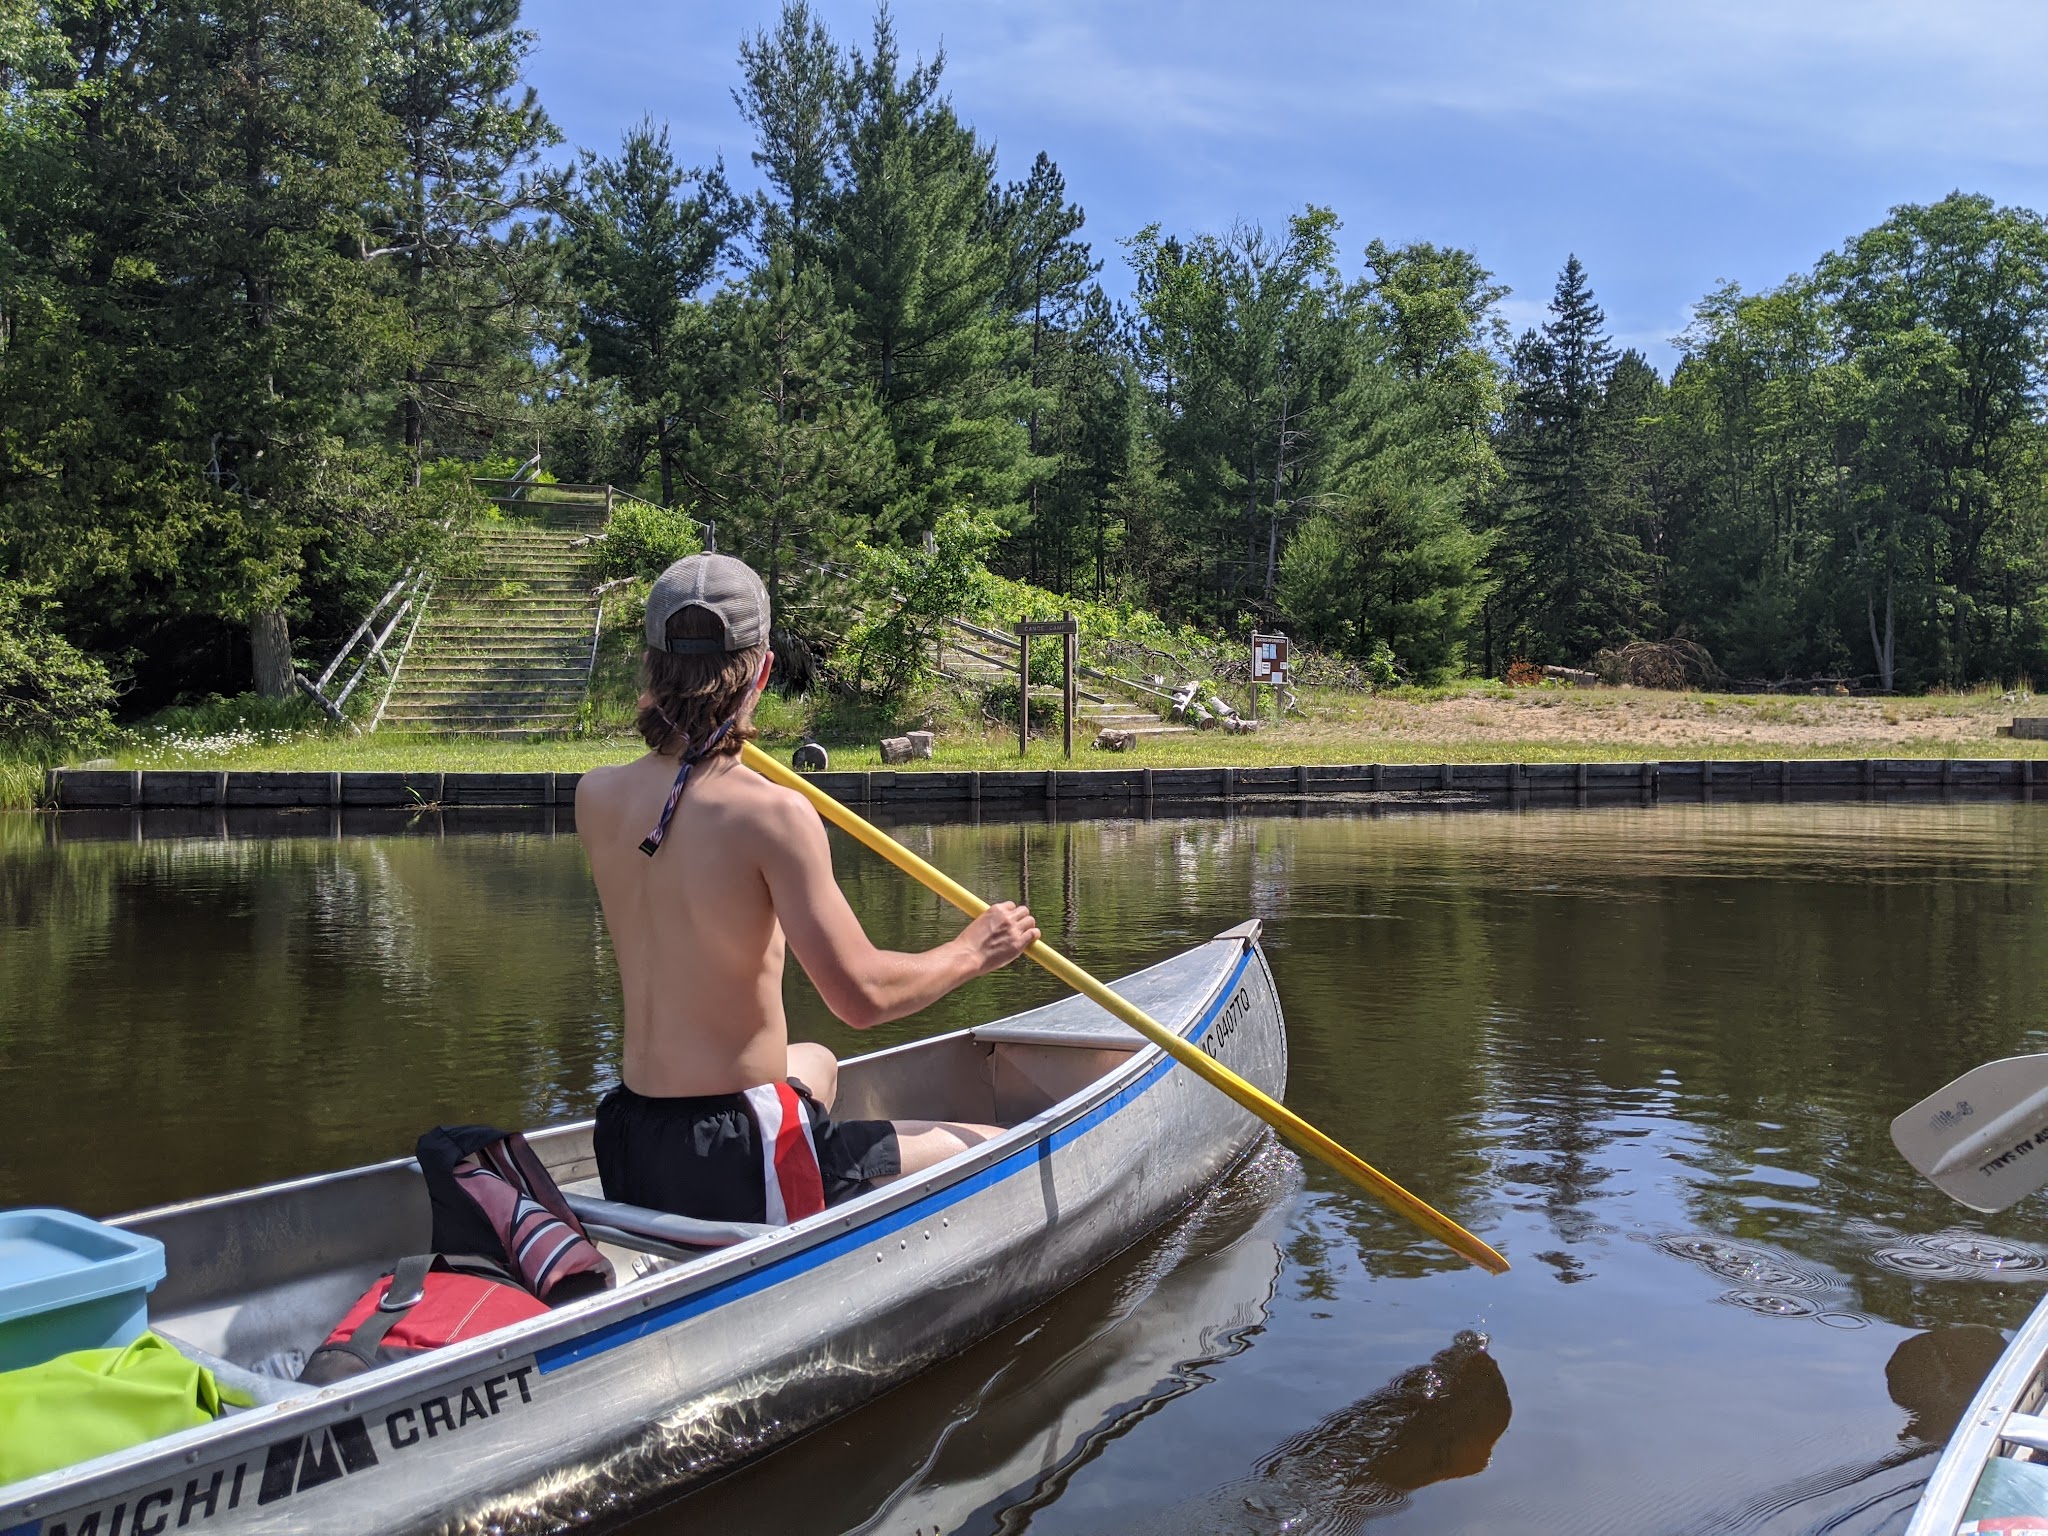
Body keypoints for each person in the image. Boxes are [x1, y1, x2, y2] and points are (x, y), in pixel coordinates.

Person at [576, 553, 1039, 1226]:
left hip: (628, 1135)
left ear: (649, 667)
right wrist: (975, 949)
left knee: (817, 1060)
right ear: (762, 670)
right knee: (996, 1147)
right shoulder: (773, 814)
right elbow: (863, 997)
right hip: (733, 1155)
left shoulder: (596, 795)